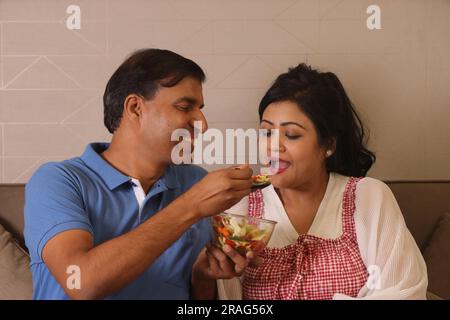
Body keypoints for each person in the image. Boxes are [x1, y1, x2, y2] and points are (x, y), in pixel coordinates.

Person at [24, 48, 254, 300]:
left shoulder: (195, 181)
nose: (202, 123)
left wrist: (202, 277)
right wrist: (192, 205)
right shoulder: (59, 181)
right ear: (135, 108)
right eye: (185, 106)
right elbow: (80, 281)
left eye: (199, 108)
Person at [218, 64, 428, 300]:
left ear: (328, 145)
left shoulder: (367, 197)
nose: (272, 147)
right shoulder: (241, 209)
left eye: (292, 135)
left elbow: (404, 291)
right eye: (267, 132)